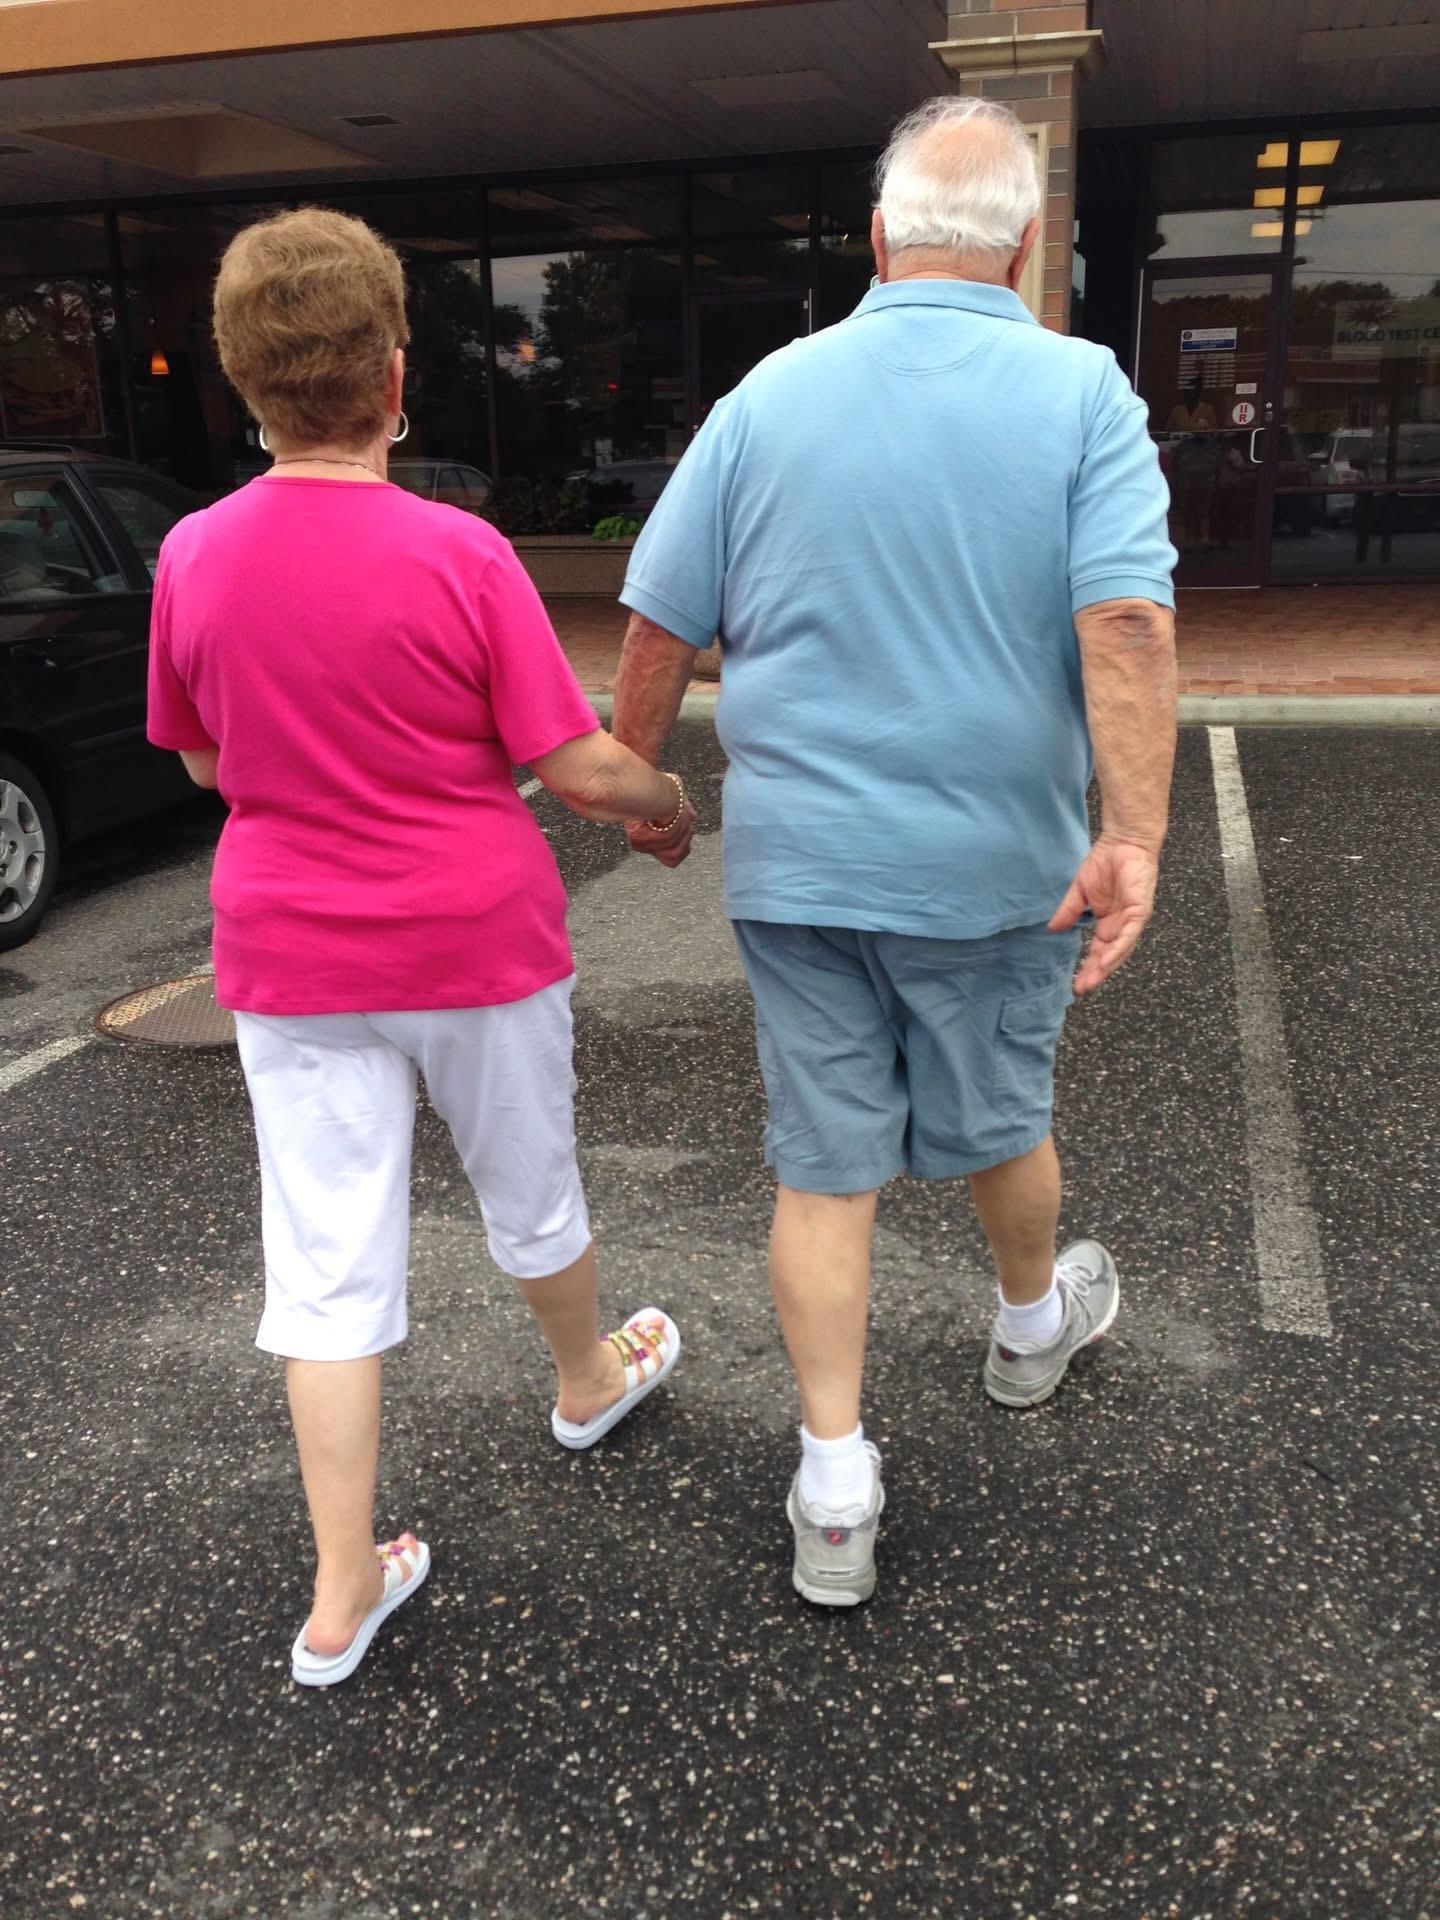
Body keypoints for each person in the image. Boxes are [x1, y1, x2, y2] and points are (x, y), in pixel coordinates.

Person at [611, 97, 1177, 1607]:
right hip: (994, 871)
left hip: (799, 866)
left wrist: (645, 792)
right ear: (1027, 248)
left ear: (877, 236)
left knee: (823, 1168)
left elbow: (659, 622)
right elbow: (1125, 621)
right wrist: (1132, 832)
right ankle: (1031, 1328)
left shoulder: (765, 395)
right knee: (1001, 1119)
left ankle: (835, 1484)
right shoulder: (1083, 392)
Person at [146, 208, 696, 1687]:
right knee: (532, 1181)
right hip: (474, 938)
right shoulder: (461, 552)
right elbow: (578, 766)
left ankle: (342, 1591)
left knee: (325, 1265)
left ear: (243, 382)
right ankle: (587, 1379)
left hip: (290, 955)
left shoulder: (192, 555)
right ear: (395, 375)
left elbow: (201, 763)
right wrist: (667, 804)